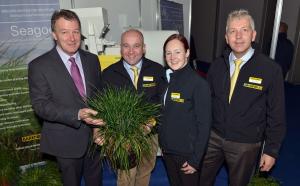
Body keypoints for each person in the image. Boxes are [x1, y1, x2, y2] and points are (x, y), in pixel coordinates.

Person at [199, 9, 286, 186]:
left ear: (253, 35)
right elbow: (205, 103)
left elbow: (277, 114)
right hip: (213, 138)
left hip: (245, 144)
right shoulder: (217, 66)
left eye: (244, 30)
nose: (238, 36)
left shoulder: (270, 70)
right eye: (233, 31)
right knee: (201, 180)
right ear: (226, 37)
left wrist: (271, 150)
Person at [28, 9, 104, 186]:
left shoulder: (92, 60)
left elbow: (99, 95)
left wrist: (99, 126)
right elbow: (41, 105)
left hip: (95, 140)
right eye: (65, 32)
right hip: (65, 142)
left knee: (96, 181)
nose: (72, 38)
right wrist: (77, 114)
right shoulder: (39, 66)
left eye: (75, 31)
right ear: (54, 35)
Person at [99, 29, 166, 186]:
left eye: (136, 46)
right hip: (123, 138)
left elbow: (163, 102)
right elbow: (103, 107)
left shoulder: (157, 70)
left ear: (144, 48)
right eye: (126, 46)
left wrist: (151, 122)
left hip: (150, 133)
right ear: (120, 48)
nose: (131, 51)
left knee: (145, 170)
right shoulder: (109, 74)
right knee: (126, 175)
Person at [158, 34, 211, 186]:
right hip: (168, 151)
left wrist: (196, 160)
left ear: (187, 53)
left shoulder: (198, 84)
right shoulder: (166, 79)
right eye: (168, 53)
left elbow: (204, 125)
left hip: (187, 154)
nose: (172, 57)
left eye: (177, 52)